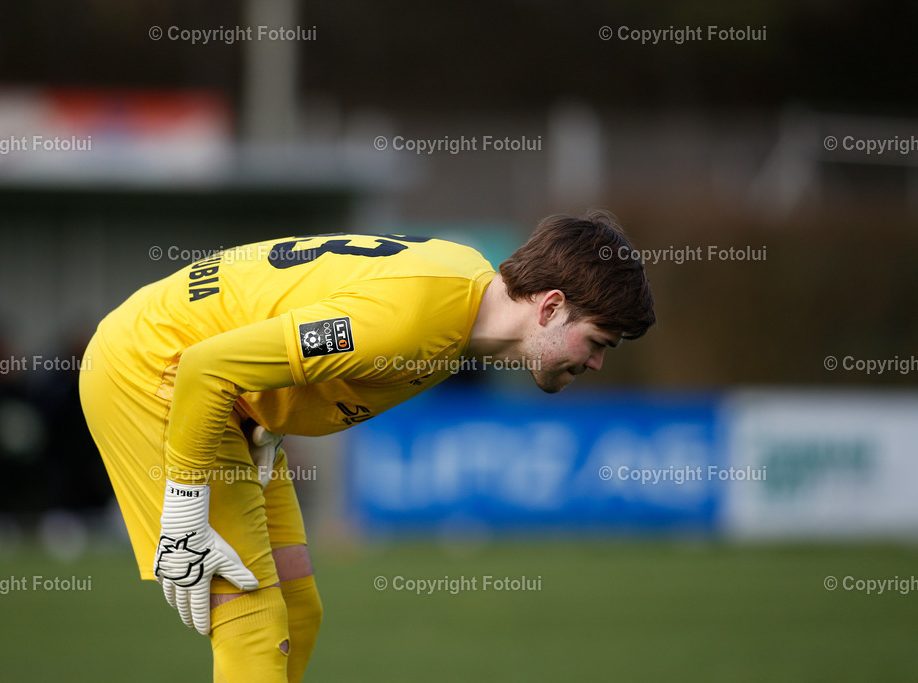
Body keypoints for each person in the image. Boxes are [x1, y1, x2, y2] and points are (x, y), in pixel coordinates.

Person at [78, 211, 655, 682]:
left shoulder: (466, 288)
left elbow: (288, 312)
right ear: (550, 306)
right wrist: (184, 514)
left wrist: (269, 416)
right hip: (158, 370)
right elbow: (207, 366)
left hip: (220, 392)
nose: (596, 363)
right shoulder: (415, 319)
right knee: (250, 616)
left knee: (298, 611)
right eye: (598, 341)